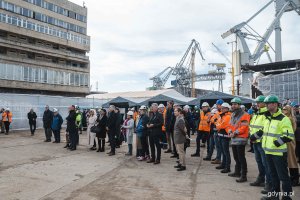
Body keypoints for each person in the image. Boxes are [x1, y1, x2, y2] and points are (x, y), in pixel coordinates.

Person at [260, 95, 294, 200]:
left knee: (283, 176)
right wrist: (256, 136)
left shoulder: (283, 119)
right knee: (272, 175)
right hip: (268, 152)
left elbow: (289, 135)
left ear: (274, 104)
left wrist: (276, 143)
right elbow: (265, 132)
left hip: (278, 153)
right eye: (265, 104)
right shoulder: (267, 118)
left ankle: (287, 197)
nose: (266, 106)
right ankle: (274, 196)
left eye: (267, 104)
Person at [249, 96, 272, 191]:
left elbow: (265, 128)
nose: (257, 104)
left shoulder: (267, 113)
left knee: (265, 163)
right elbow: (253, 126)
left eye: (259, 102)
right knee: (259, 162)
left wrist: (255, 136)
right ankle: (261, 179)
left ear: (264, 103)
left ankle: (269, 183)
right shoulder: (257, 113)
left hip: (262, 141)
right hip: (255, 141)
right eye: (257, 102)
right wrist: (251, 136)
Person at [228, 98, 250, 183]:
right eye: (232, 104)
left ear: (239, 105)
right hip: (234, 138)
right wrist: (230, 131)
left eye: (235, 104)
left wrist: (235, 133)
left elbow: (244, 127)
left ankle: (243, 175)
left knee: (241, 157)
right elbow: (230, 125)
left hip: (240, 138)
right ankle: (237, 172)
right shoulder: (232, 114)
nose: (233, 105)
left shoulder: (245, 114)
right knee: (236, 157)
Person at [282, 105, 300, 186]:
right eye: (283, 109)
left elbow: (292, 130)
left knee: (292, 160)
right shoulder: (288, 118)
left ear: (289, 110)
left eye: (286, 109)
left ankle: (295, 178)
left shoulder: (290, 118)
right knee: (290, 161)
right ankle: (293, 177)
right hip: (287, 141)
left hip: (290, 141)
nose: (284, 110)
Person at [215, 103, 232, 173]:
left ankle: (227, 167)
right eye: (221, 108)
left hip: (225, 137)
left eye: (223, 108)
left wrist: (219, 125)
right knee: (223, 152)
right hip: (221, 135)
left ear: (227, 108)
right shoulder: (222, 116)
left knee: (226, 152)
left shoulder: (228, 116)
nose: (221, 109)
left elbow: (220, 126)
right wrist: (219, 125)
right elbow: (217, 124)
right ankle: (223, 164)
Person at [211, 99, 224, 165]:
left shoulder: (223, 113)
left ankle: (219, 159)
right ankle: (218, 157)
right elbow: (212, 119)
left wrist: (216, 120)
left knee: (220, 146)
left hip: (220, 132)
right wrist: (215, 120)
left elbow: (222, 122)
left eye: (218, 105)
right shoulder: (217, 113)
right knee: (217, 146)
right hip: (216, 131)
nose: (217, 106)